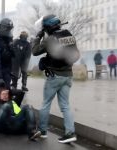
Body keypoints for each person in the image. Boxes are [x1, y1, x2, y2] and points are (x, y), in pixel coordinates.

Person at [32, 14, 79, 143]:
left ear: (47, 27)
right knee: (65, 106)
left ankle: (42, 131)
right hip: (68, 75)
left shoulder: (50, 39)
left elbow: (35, 51)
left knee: (46, 103)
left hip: (55, 76)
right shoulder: (69, 35)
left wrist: (38, 36)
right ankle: (70, 133)